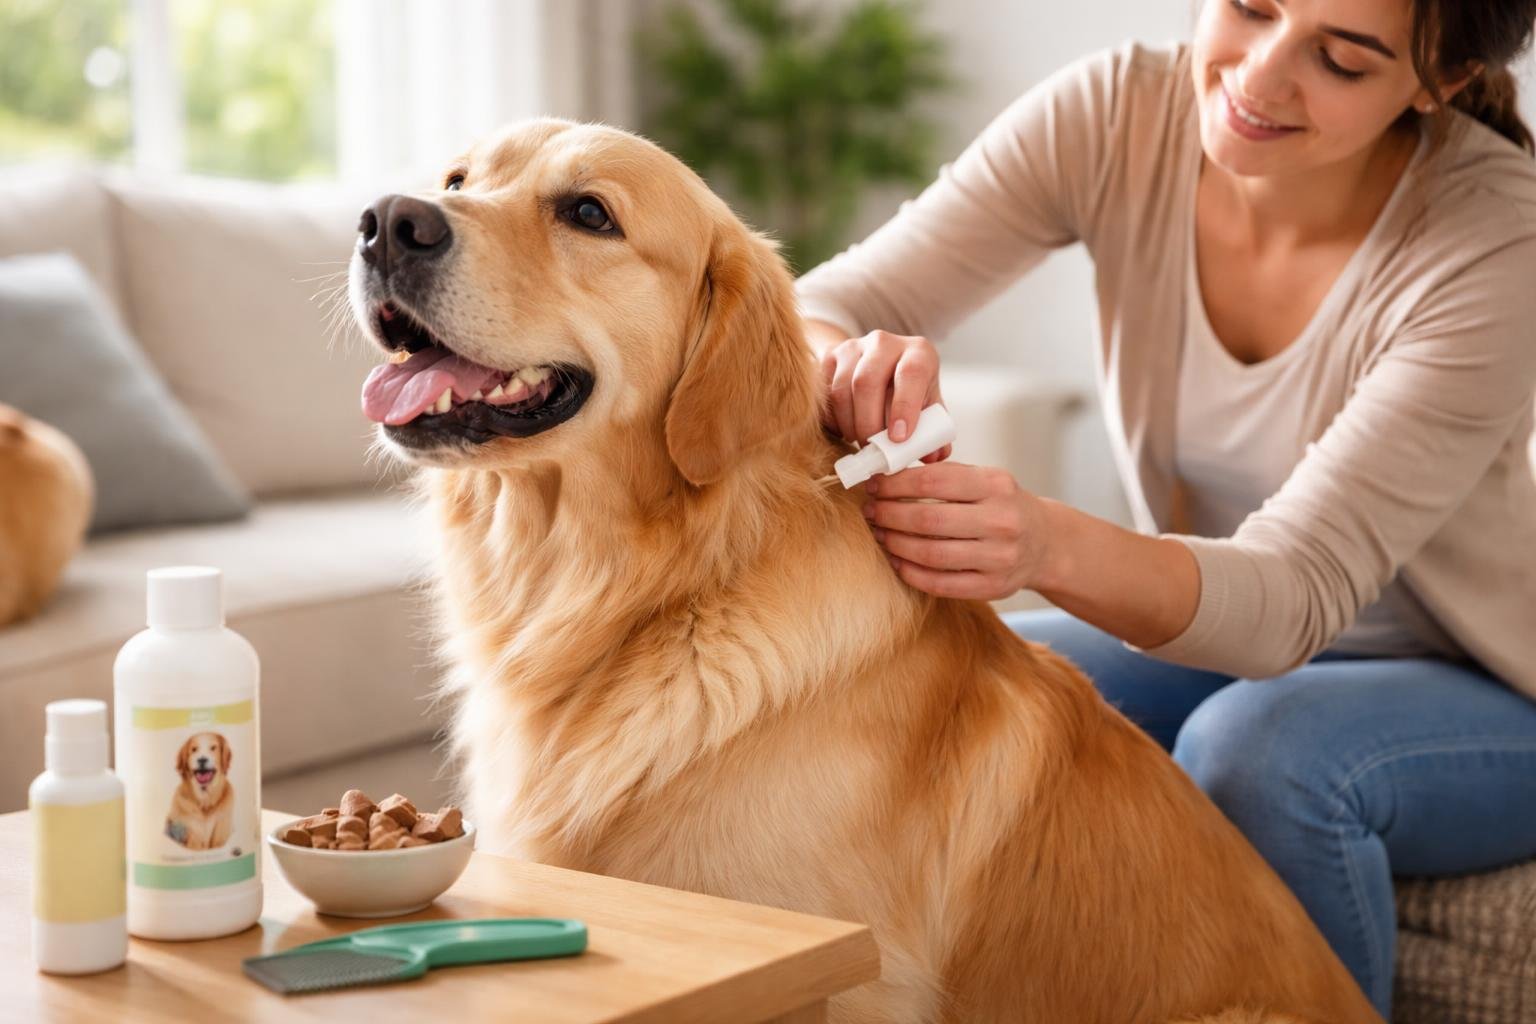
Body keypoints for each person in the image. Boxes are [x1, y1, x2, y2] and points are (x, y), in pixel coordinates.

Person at [793, 0, 1536, 1016]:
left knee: (1265, 755)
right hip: (1227, 646)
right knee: (950, 666)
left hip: (1481, 681)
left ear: (1436, 84)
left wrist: (1042, 539)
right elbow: (827, 299)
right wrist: (852, 363)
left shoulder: (1498, 243)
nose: (1260, 76)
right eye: (1251, 7)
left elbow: (1289, 596)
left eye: (1340, 59)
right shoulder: (1116, 113)